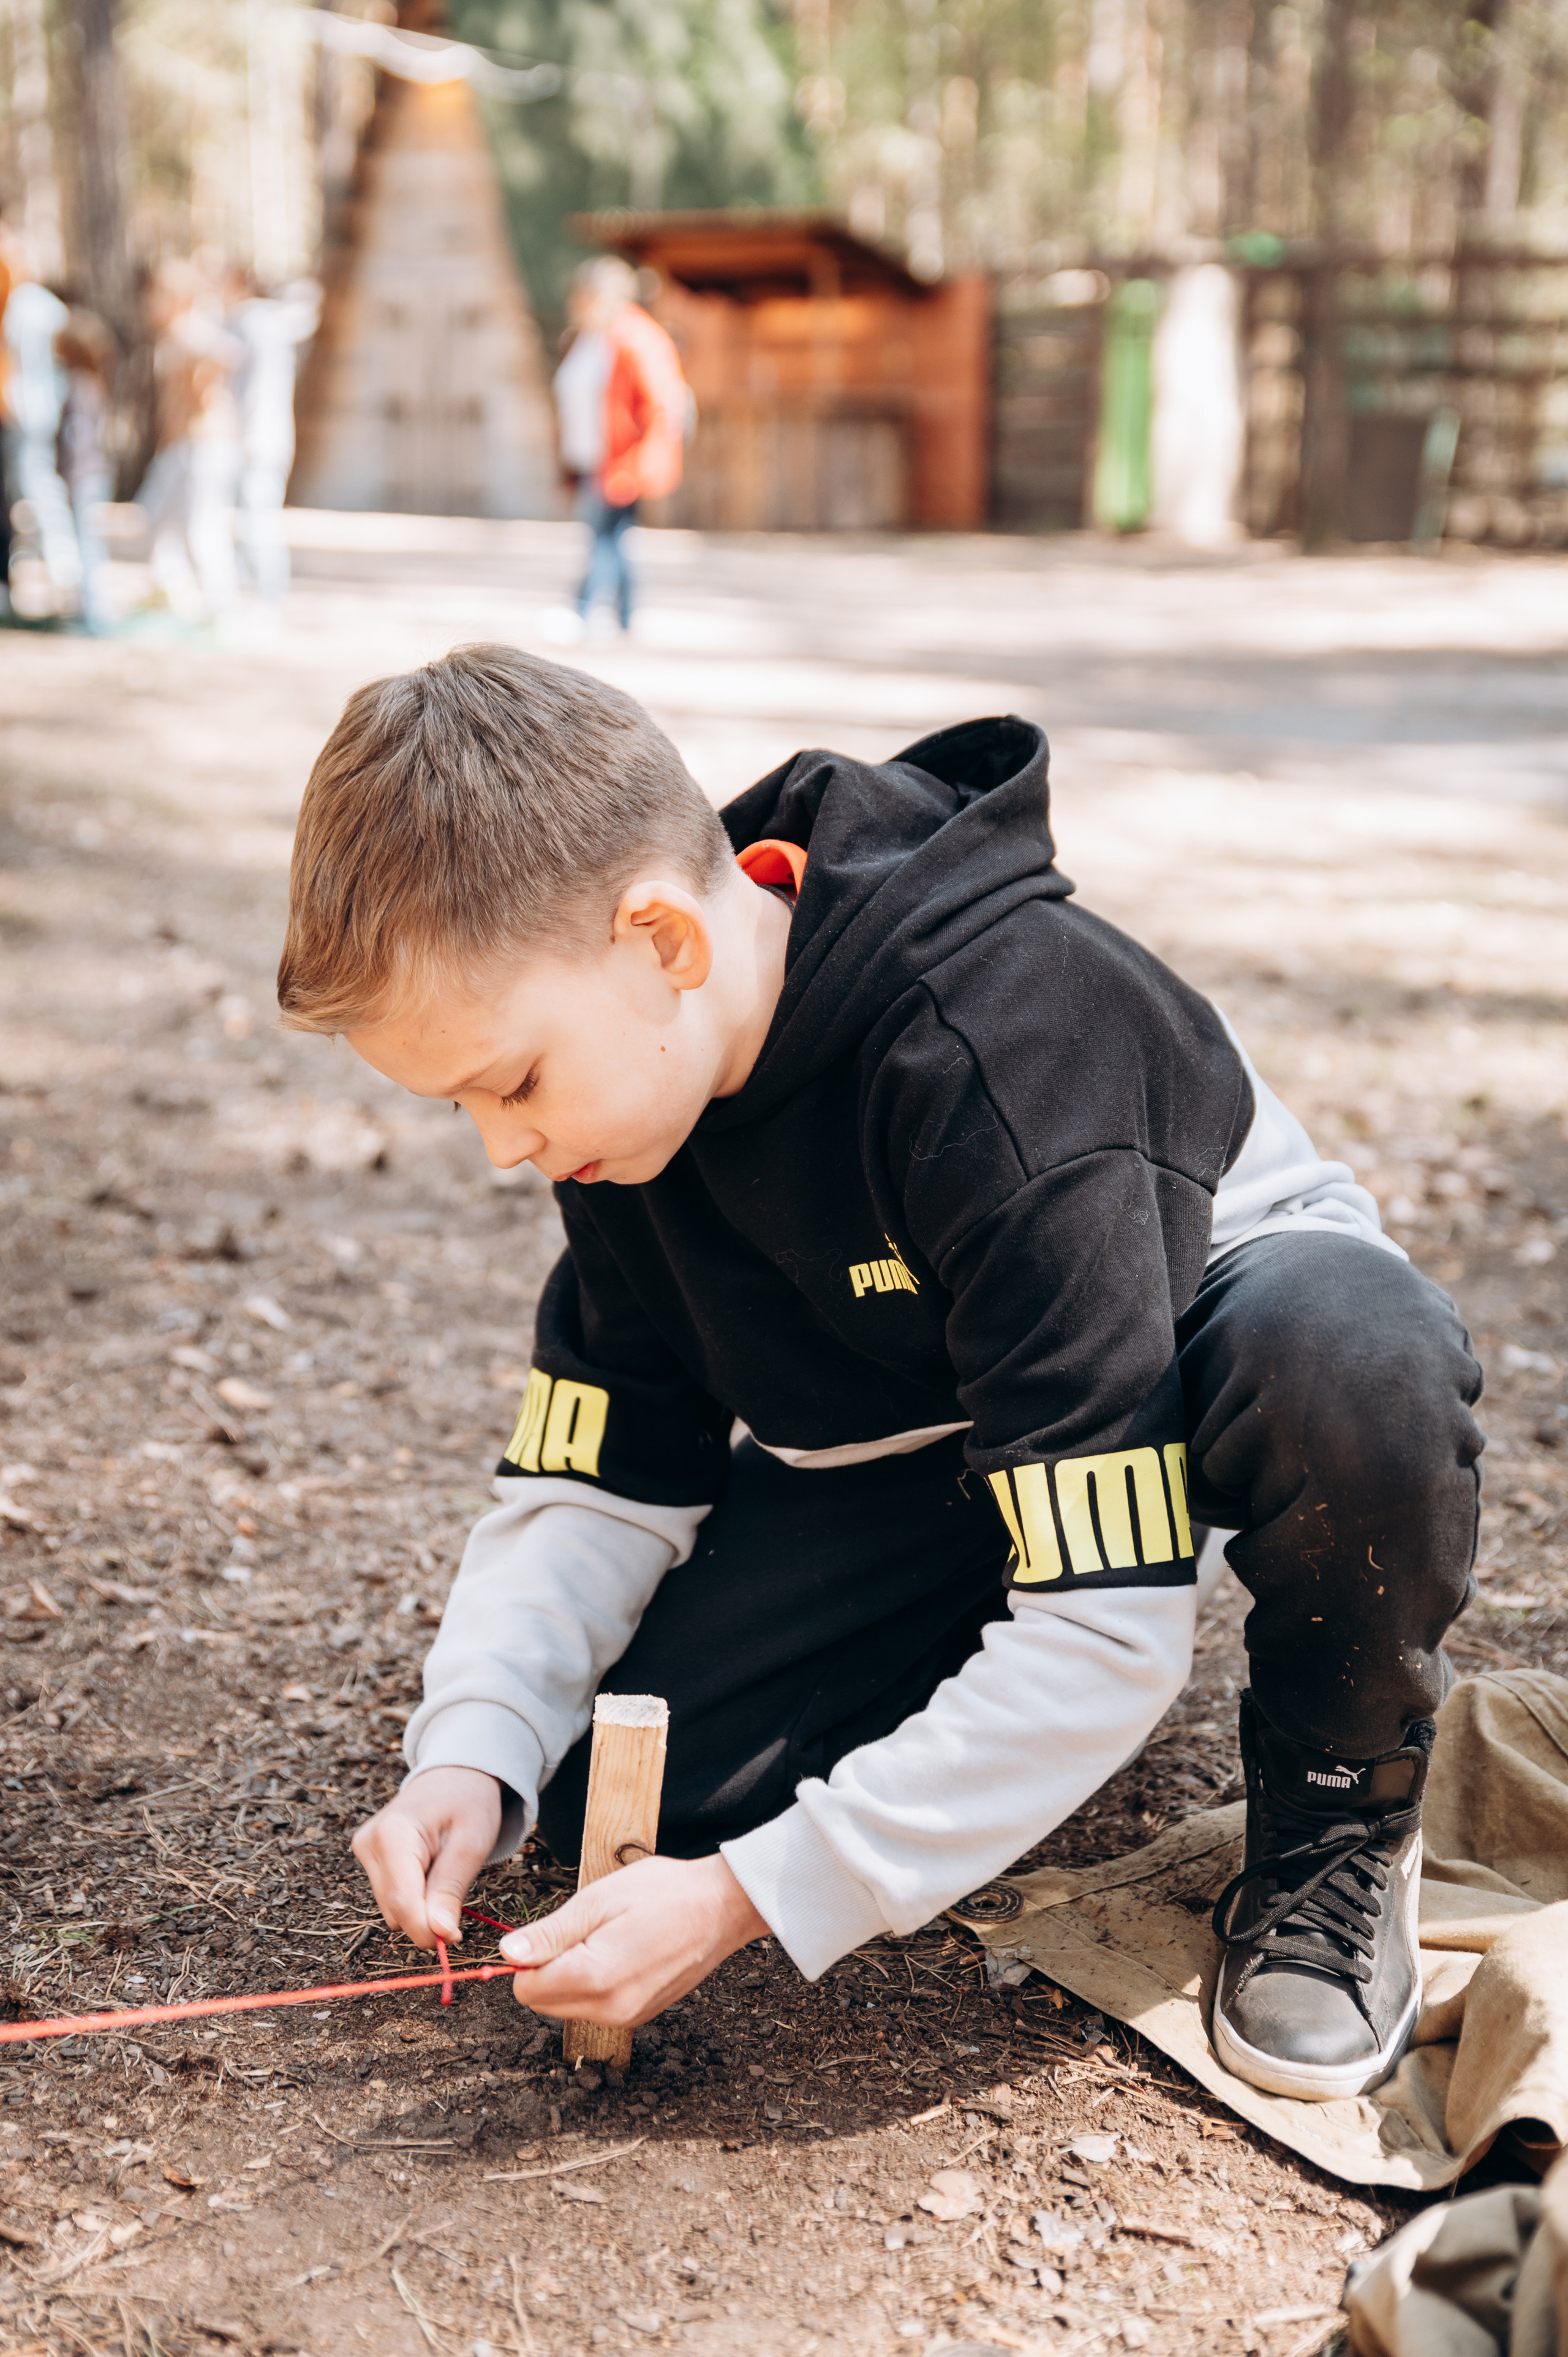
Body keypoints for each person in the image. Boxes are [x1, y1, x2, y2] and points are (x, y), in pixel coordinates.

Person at [277, 647, 1483, 2106]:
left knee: (1350, 1364)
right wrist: (468, 1754)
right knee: (631, 1793)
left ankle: (1337, 1808)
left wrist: (754, 1895)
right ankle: (1007, 1664)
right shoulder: (621, 1110)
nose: (499, 1146)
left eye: (511, 1079)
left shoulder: (1005, 1050)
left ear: (661, 939)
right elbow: (598, 1477)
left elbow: (1105, 1634)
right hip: (932, 1440)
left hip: (1186, 1347)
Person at [547, 257, 687, 636]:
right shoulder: (588, 336)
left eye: (582, 295)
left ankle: (583, 611)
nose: (575, 302)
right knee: (616, 536)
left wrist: (641, 465)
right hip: (590, 457)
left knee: (602, 535)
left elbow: (663, 404)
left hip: (621, 461)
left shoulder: (636, 337)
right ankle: (626, 617)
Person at [135, 260, 243, 624]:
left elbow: (226, 354)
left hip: (203, 443)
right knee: (158, 516)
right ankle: (170, 592)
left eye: (159, 295)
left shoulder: (189, 330)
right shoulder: (173, 335)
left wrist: (203, 391)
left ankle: (221, 607)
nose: (151, 303)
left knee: (202, 527)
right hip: (181, 445)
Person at [225, 270, 319, 610]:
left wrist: (236, 433)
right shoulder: (272, 324)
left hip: (253, 439)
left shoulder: (249, 323)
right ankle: (260, 597)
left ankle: (264, 599)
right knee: (258, 518)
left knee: (256, 520)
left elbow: (244, 388)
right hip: (270, 437)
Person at [0, 229, 80, 612]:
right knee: (32, 493)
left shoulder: (24, 306)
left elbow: (15, 365)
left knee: (38, 492)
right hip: (40, 412)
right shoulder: (45, 306)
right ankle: (62, 578)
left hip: (26, 416)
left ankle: (65, 578)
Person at [55, 309, 118, 634]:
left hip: (85, 476)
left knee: (88, 543)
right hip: (95, 474)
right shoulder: (95, 384)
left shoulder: (76, 386)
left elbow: (76, 437)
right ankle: (89, 611)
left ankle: (95, 616)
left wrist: (68, 472)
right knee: (87, 542)